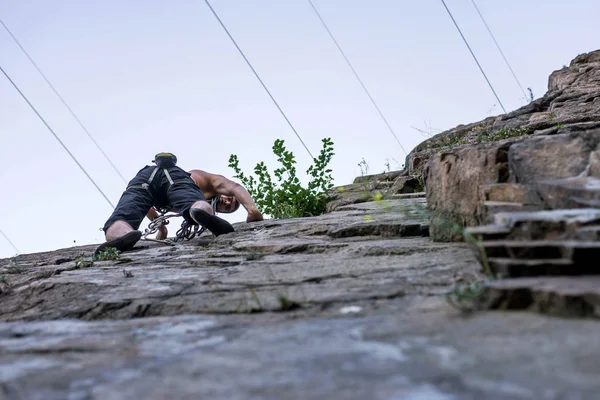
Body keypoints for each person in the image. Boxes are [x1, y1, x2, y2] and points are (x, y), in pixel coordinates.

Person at [94, 152, 263, 256]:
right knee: (194, 203)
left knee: (129, 207)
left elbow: (145, 206)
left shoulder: (205, 191)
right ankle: (199, 212)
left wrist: (160, 226)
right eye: (230, 200)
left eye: (227, 207)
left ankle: (122, 235)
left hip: (147, 180)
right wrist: (252, 210)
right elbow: (235, 187)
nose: (226, 202)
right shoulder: (211, 183)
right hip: (175, 178)